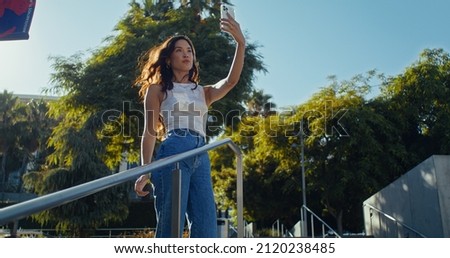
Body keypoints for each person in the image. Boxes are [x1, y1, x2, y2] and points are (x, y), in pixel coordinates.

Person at [133, 14, 245, 238]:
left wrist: (240, 43)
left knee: (206, 229)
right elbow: (150, 131)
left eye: (189, 51)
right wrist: (145, 169)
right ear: (168, 59)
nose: (186, 54)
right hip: (173, 149)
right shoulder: (157, 90)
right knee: (170, 226)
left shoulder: (204, 92)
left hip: (201, 154)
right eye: (179, 50)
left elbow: (231, 81)